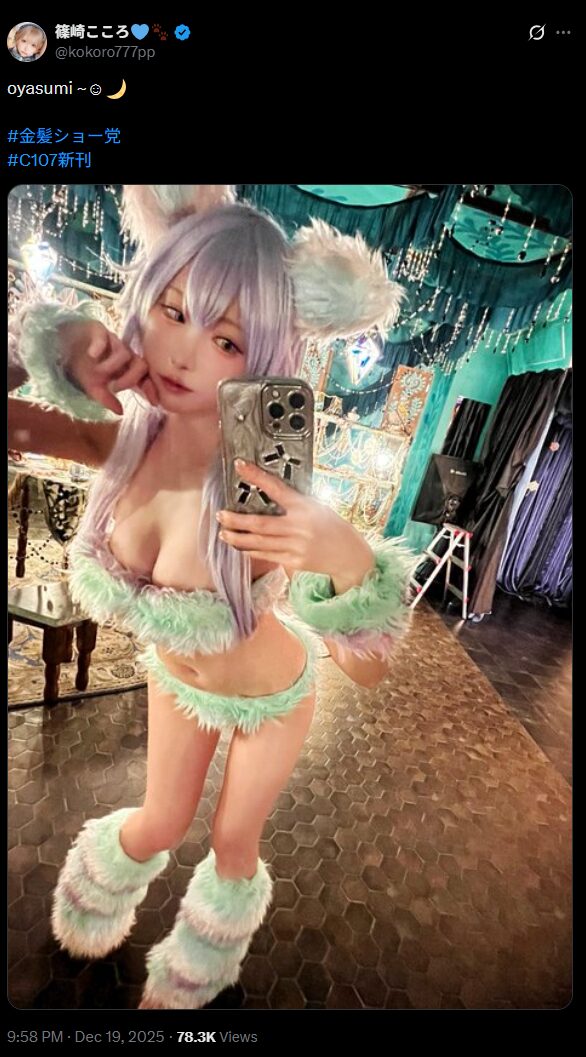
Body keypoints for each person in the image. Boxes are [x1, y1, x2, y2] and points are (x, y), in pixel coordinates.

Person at [8, 185, 413, 1010]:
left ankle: (197, 970)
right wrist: (42, 347)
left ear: (264, 358)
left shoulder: (261, 479)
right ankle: (89, 906)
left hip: (273, 691)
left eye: (227, 339)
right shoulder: (124, 443)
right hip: (178, 676)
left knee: (232, 840)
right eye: (172, 310)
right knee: (160, 819)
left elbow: (368, 672)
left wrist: (341, 551)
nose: (183, 353)